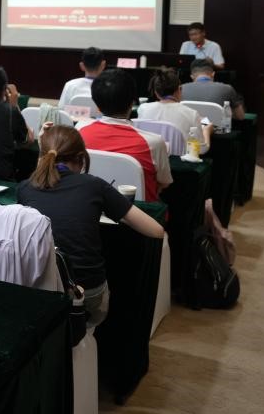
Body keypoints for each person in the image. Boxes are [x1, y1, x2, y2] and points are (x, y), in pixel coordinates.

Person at [18, 125, 164, 326]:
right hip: (87, 293)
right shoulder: (94, 185)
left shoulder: (24, 188)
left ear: (42, 156)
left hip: (39, 289)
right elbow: (156, 230)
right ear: (81, 158)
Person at [78, 69, 172, 202]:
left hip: (91, 206)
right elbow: (164, 183)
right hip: (140, 212)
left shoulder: (79, 131)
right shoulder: (153, 142)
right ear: (132, 103)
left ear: (97, 105)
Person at [138, 68, 212, 152]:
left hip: (150, 158)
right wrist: (206, 130)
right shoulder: (192, 114)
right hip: (180, 160)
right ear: (179, 89)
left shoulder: (143, 109)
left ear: (156, 92)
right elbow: (201, 150)